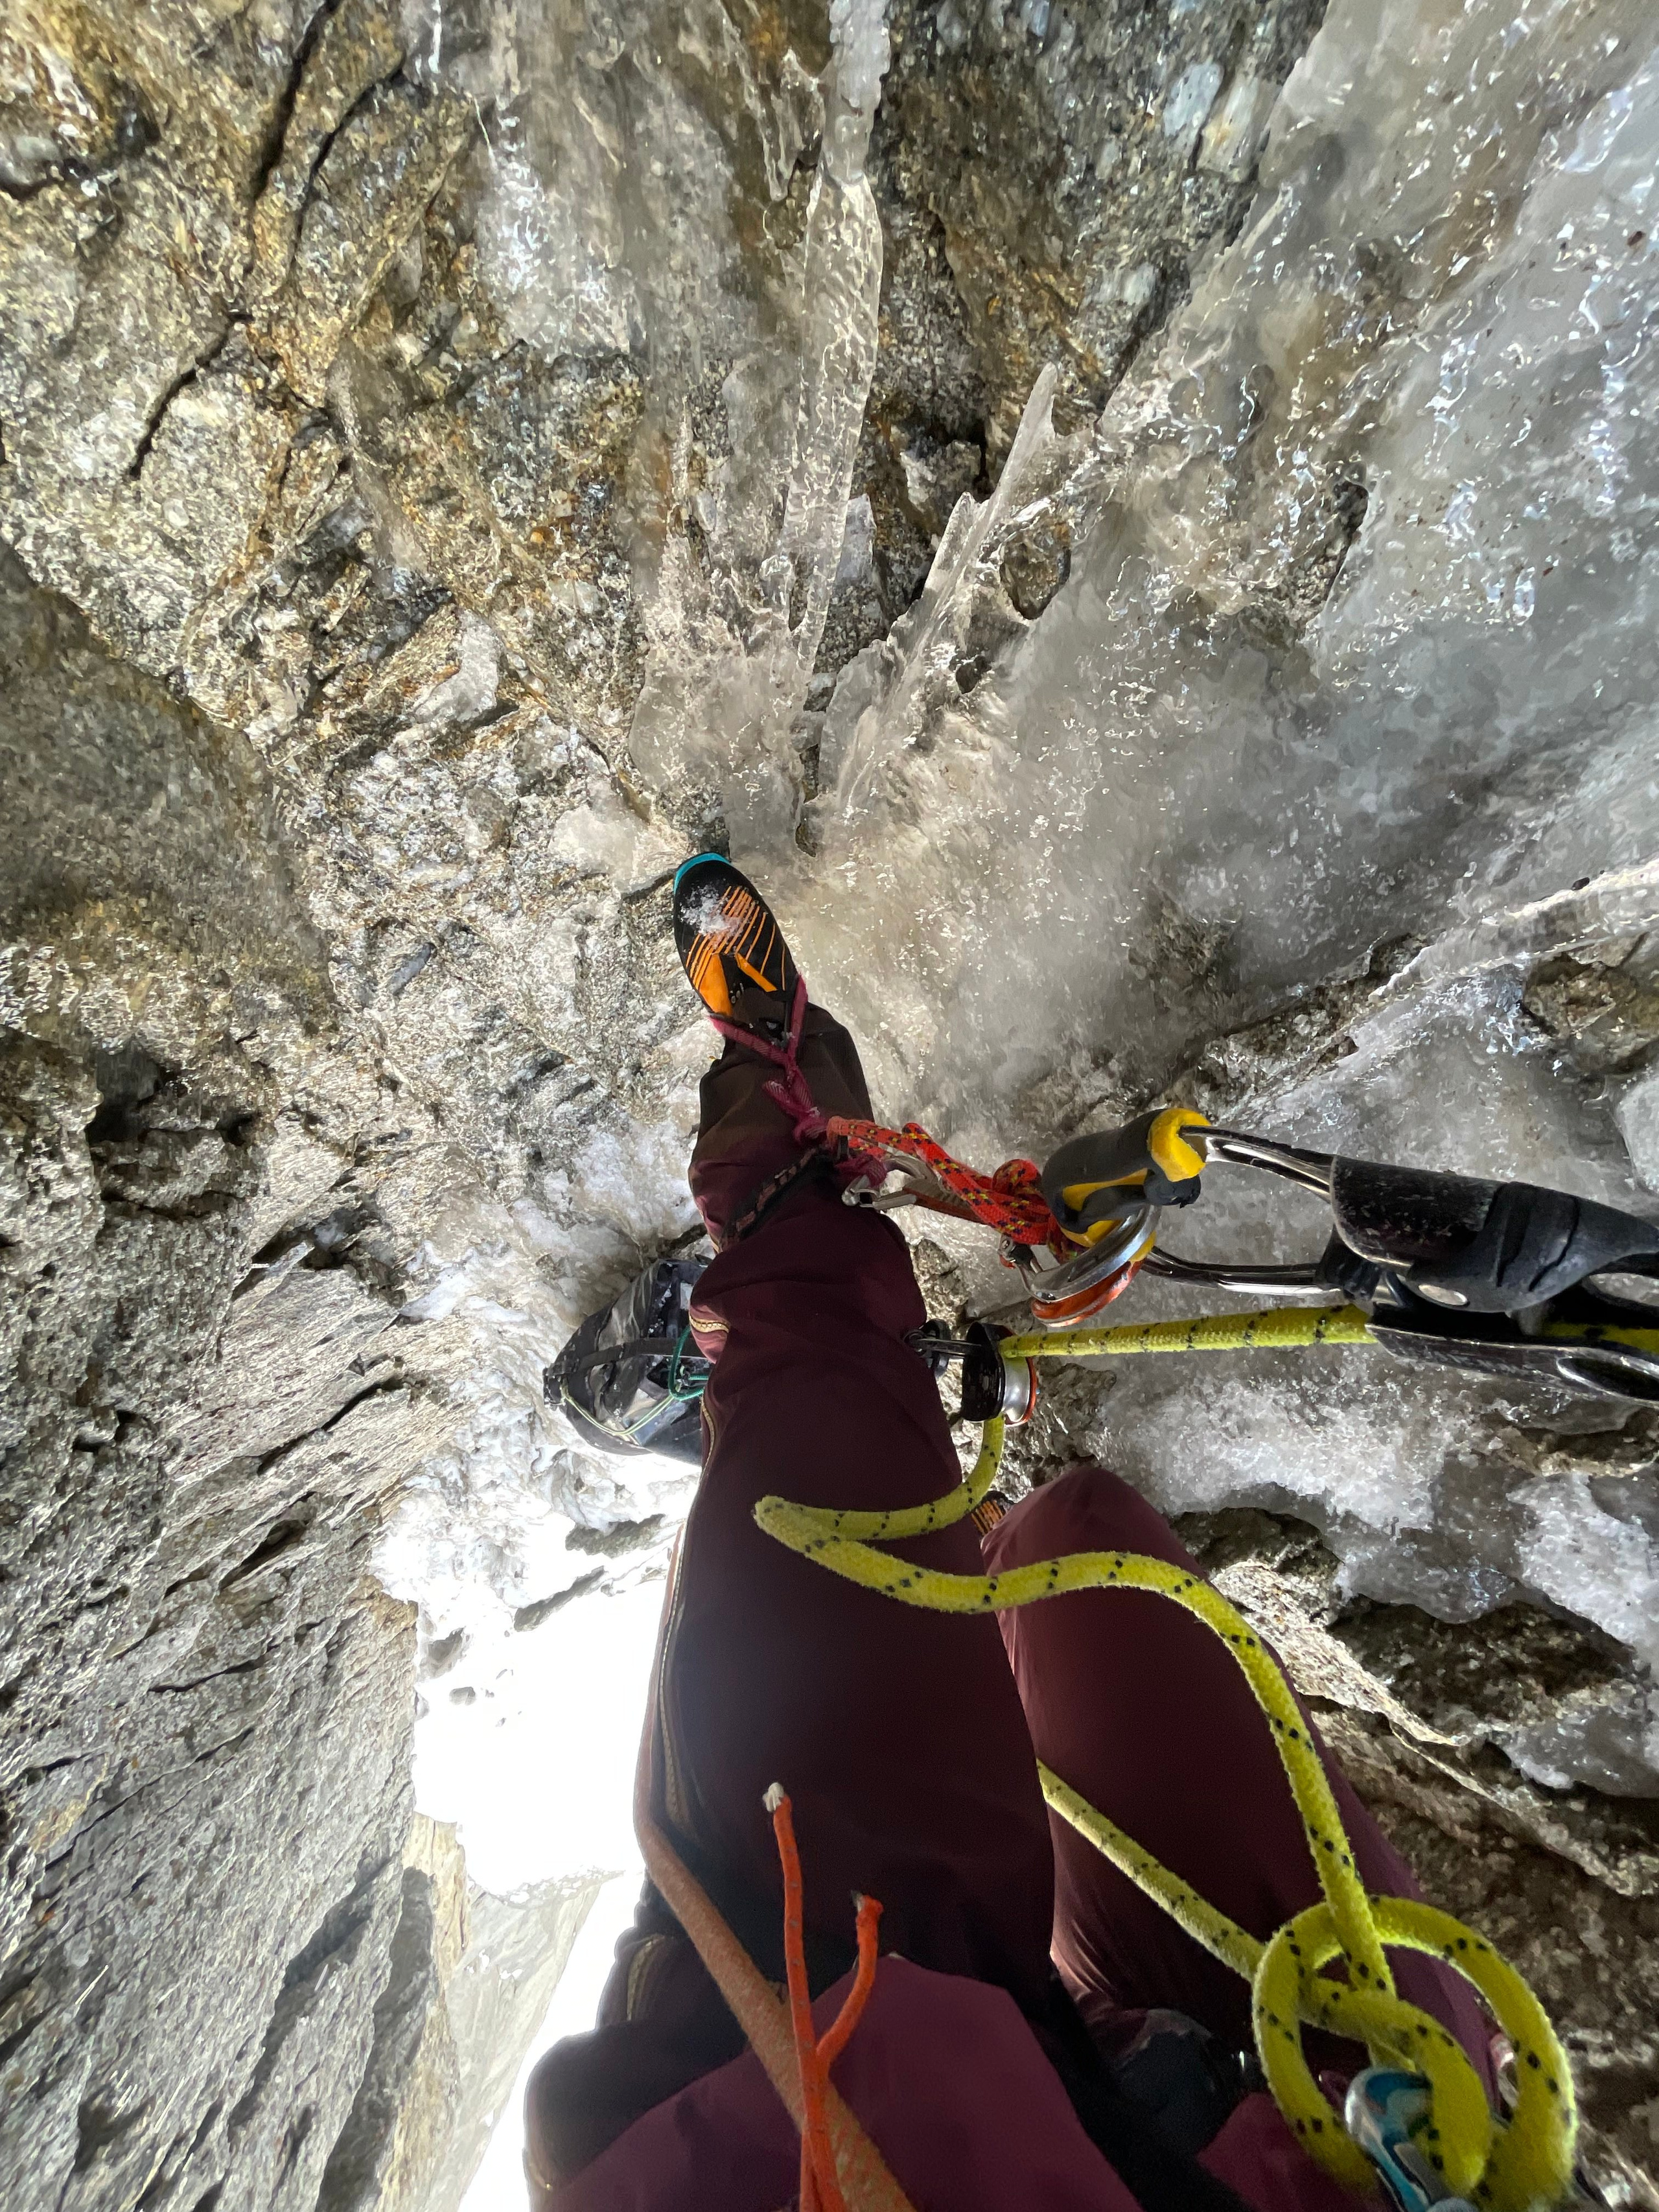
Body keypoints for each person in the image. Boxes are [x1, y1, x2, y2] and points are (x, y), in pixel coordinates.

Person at [523, 856, 1498, 2211]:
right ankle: (862, 1481)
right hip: (1315, 2144)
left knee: (814, 1886)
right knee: (1069, 1536)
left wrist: (797, 1245)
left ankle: (774, 1214)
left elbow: (704, 2066)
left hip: (909, 2106)